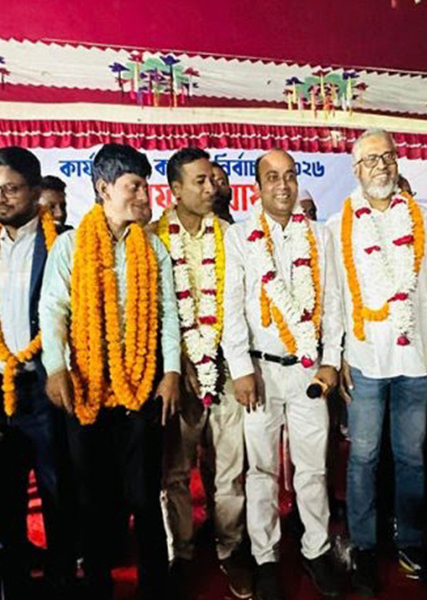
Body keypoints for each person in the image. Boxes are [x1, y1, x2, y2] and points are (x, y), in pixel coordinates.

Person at [40, 143, 181, 600]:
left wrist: (172, 372)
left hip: (142, 386)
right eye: (133, 186)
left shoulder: (152, 247)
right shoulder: (70, 245)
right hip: (86, 387)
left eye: (145, 186)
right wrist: (56, 367)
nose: (144, 196)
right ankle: (97, 585)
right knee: (91, 497)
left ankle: (155, 588)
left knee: (144, 495)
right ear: (104, 188)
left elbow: (168, 314)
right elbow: (53, 309)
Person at [326, 128, 427, 595]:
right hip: (363, 355)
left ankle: (410, 540)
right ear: (356, 169)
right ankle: (363, 545)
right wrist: (339, 354)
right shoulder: (339, 223)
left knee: (411, 456)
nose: (381, 166)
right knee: (363, 456)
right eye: (371, 159)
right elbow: (336, 297)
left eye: (388, 157)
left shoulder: (421, 218)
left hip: (415, 356)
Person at [221, 149, 344, 600]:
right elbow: (232, 306)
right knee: (261, 469)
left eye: (289, 175)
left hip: (309, 369)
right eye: (272, 177)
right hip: (260, 370)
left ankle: (316, 549)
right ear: (257, 187)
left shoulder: (320, 235)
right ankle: (266, 557)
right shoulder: (240, 236)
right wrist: (240, 369)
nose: (283, 185)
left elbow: (333, 302)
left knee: (313, 466)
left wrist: (331, 360)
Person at [0, 146, 76, 597]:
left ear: (35, 189)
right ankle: (16, 586)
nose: (1, 198)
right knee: (4, 503)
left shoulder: (62, 241)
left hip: (46, 389)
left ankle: (63, 582)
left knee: (58, 494)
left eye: (11, 188)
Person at [152, 148, 251, 599]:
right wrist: (182, 362)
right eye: (200, 181)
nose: (212, 188)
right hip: (177, 373)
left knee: (229, 468)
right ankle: (182, 553)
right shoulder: (154, 238)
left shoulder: (231, 235)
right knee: (175, 472)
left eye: (213, 179)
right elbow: (155, 313)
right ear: (175, 189)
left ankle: (231, 548)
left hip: (227, 367)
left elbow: (240, 306)